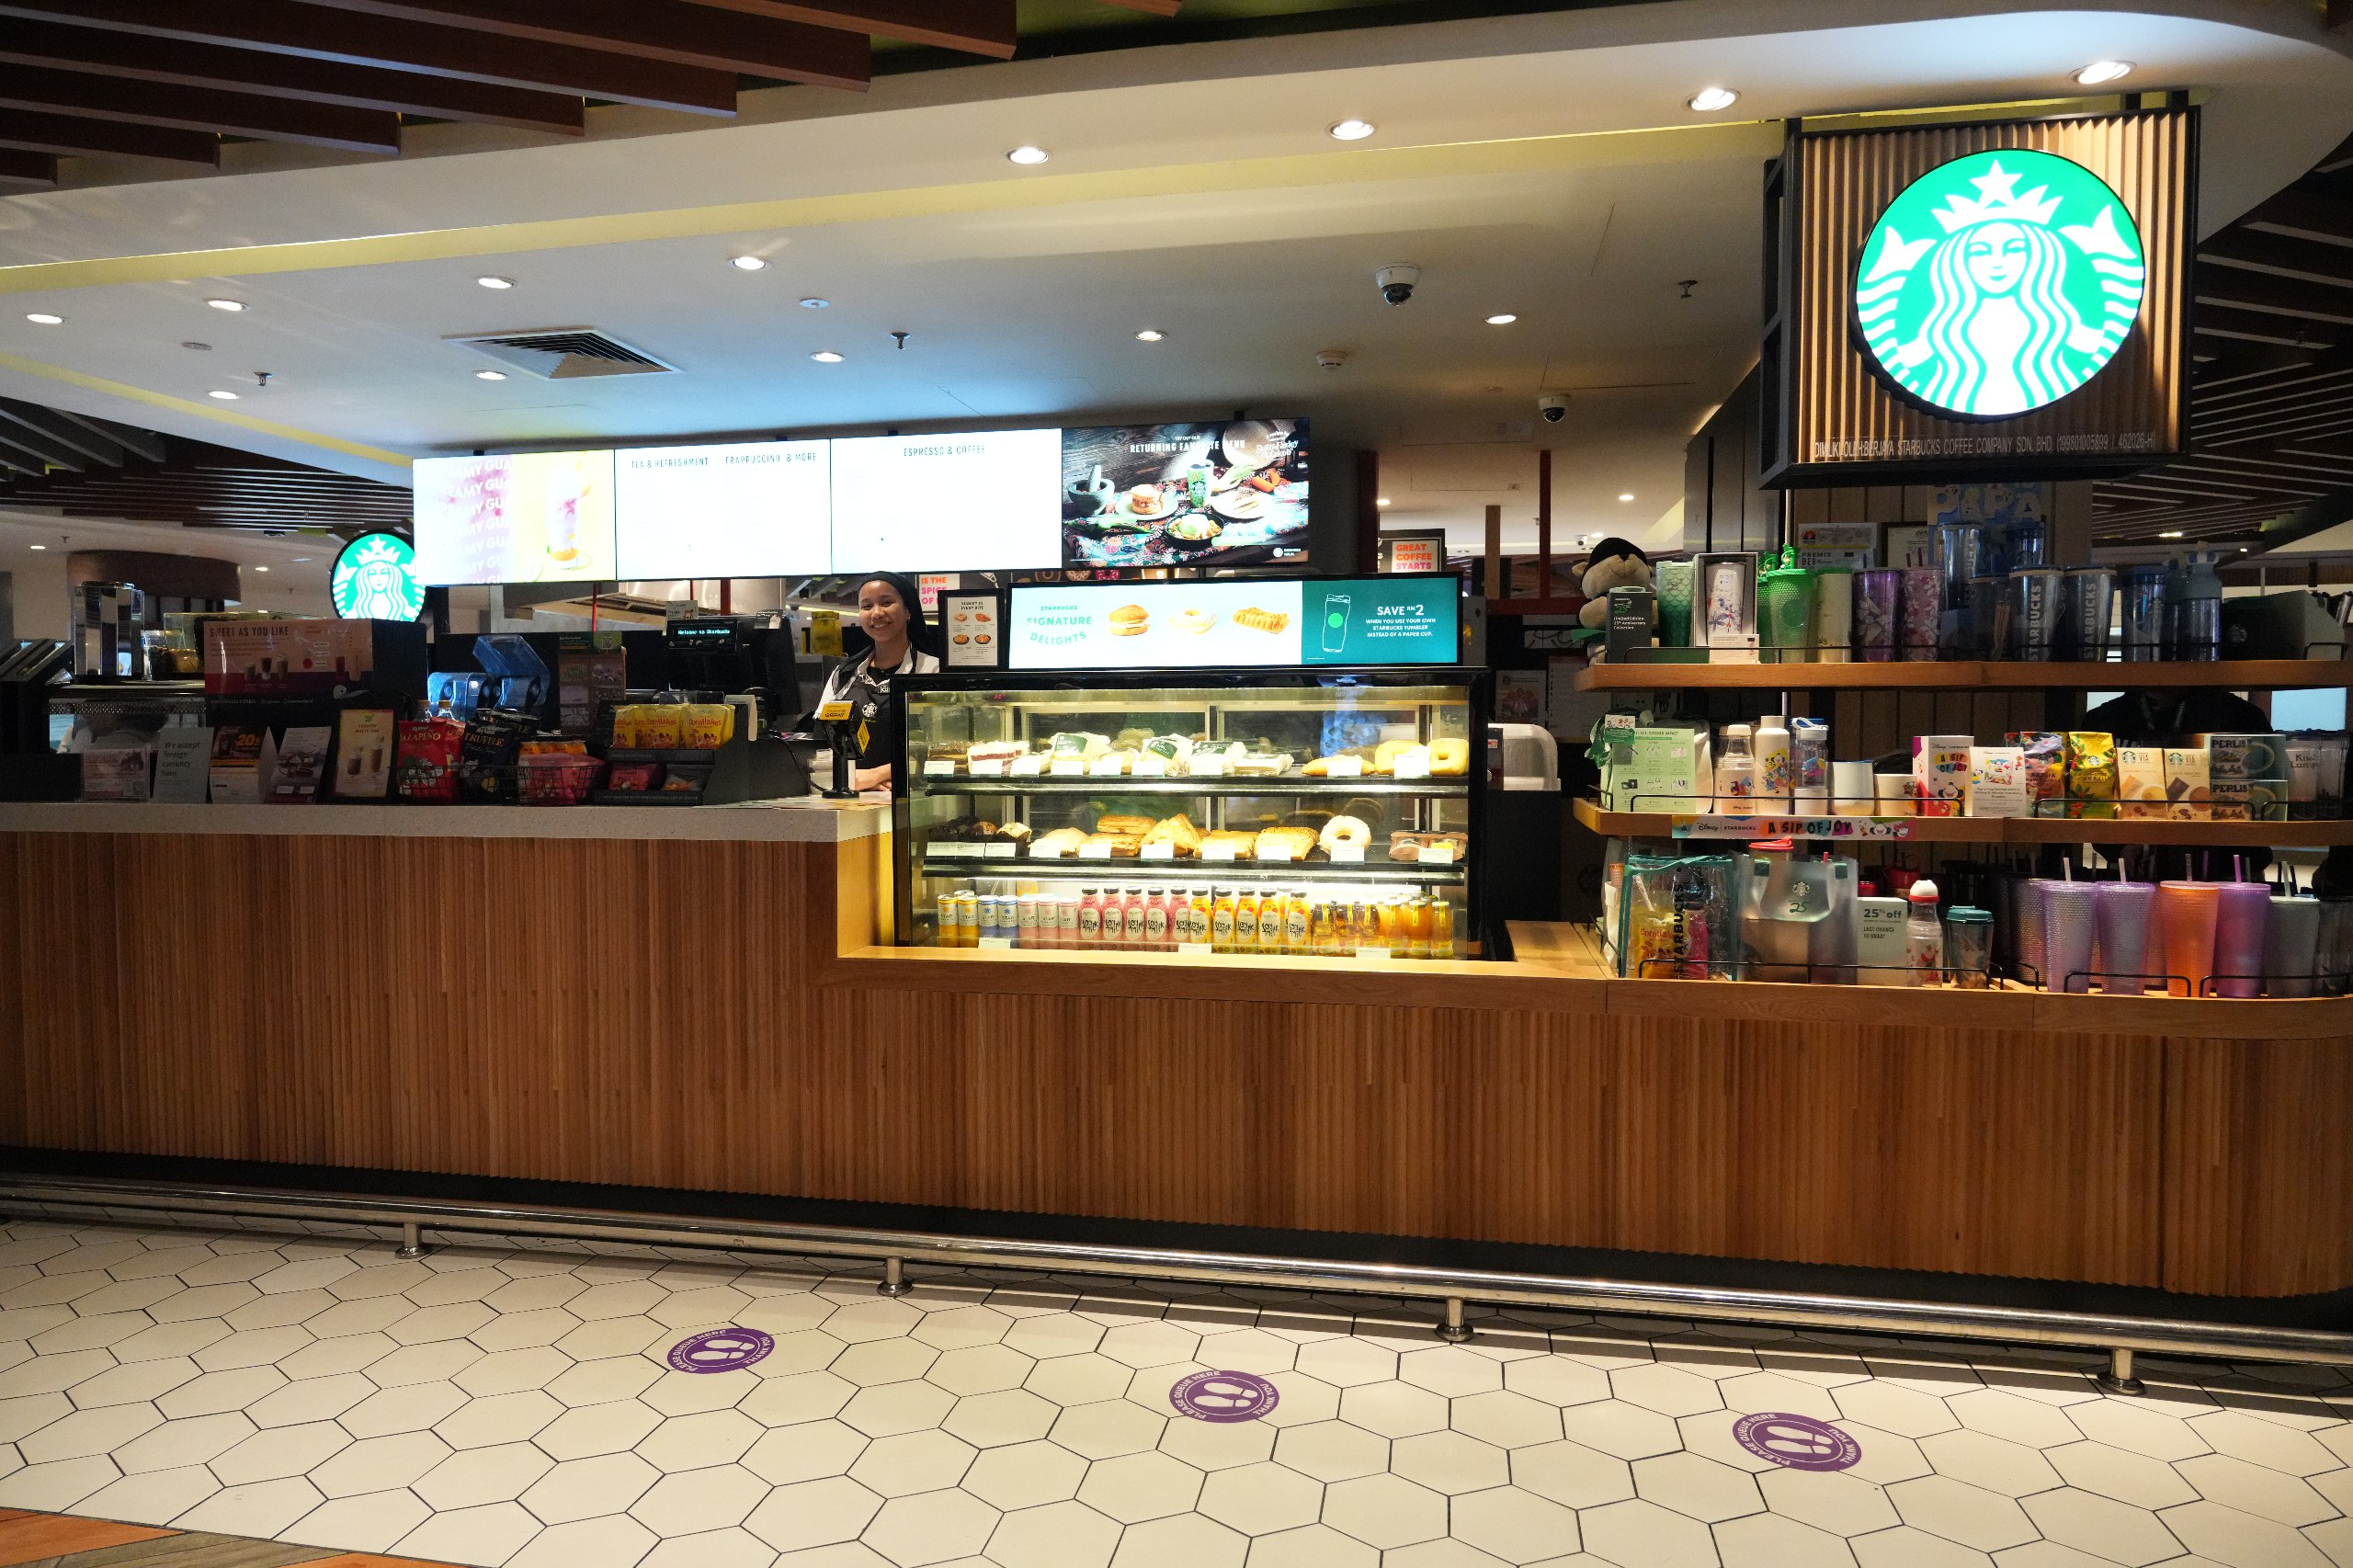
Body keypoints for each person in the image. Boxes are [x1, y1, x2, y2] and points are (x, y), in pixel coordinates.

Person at [815, 571, 941, 793]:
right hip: (849, 795)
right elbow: (821, 745)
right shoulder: (843, 674)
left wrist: (876, 775)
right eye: (867, 606)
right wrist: (856, 780)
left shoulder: (932, 671)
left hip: (913, 797)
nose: (876, 613)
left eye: (886, 603)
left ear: (908, 610)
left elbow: (941, 747)